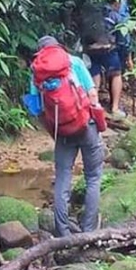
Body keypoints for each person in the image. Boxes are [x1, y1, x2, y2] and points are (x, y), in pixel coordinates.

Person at [26, 36, 105, 237]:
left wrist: (55, 130)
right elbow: (92, 94)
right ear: (59, 47)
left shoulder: (37, 72)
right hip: (87, 126)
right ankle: (88, 231)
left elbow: (37, 110)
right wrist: (96, 117)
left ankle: (63, 233)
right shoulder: (74, 62)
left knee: (62, 177)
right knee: (93, 177)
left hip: (61, 131)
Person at [86, 0, 134, 120]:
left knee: (94, 76)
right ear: (117, 2)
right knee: (116, 74)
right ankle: (115, 108)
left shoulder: (92, 14)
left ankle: (93, 106)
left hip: (90, 50)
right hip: (108, 49)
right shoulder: (115, 16)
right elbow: (123, 39)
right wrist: (126, 56)